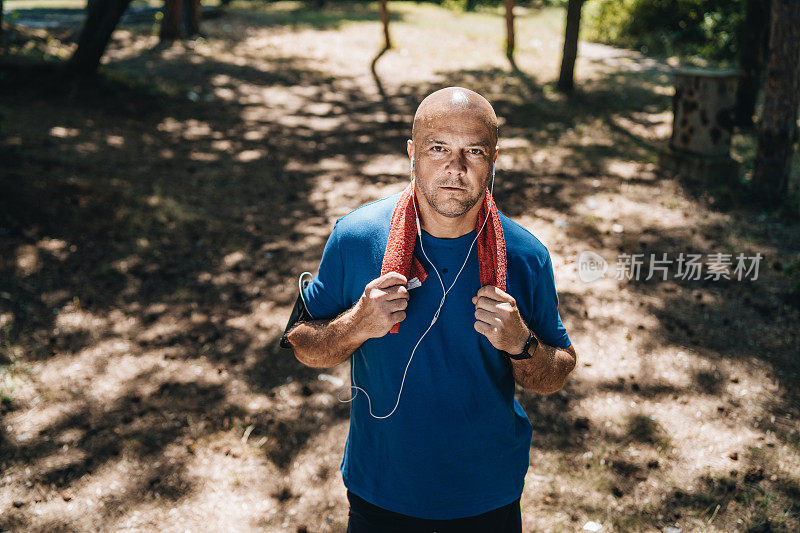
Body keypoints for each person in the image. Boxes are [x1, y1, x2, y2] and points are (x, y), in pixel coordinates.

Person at [281, 86, 578, 532]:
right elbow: (302, 344)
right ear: (412, 154)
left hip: (487, 493)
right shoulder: (356, 237)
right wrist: (356, 325)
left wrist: (521, 343)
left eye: (473, 152)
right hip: (381, 487)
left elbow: (557, 372)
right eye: (438, 148)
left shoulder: (524, 255)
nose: (454, 169)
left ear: (493, 159)